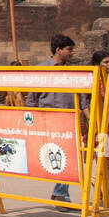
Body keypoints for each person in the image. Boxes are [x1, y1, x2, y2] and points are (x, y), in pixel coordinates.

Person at [26, 34, 76, 204]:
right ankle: (60, 193)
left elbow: (81, 98)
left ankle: (61, 193)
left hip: (68, 121)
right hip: (48, 121)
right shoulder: (42, 70)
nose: (72, 53)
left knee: (66, 157)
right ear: (58, 50)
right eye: (69, 50)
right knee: (57, 157)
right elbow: (32, 99)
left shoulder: (72, 70)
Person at [89, 51, 109, 208]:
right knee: (107, 162)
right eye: (106, 62)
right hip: (100, 128)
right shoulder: (93, 82)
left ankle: (98, 181)